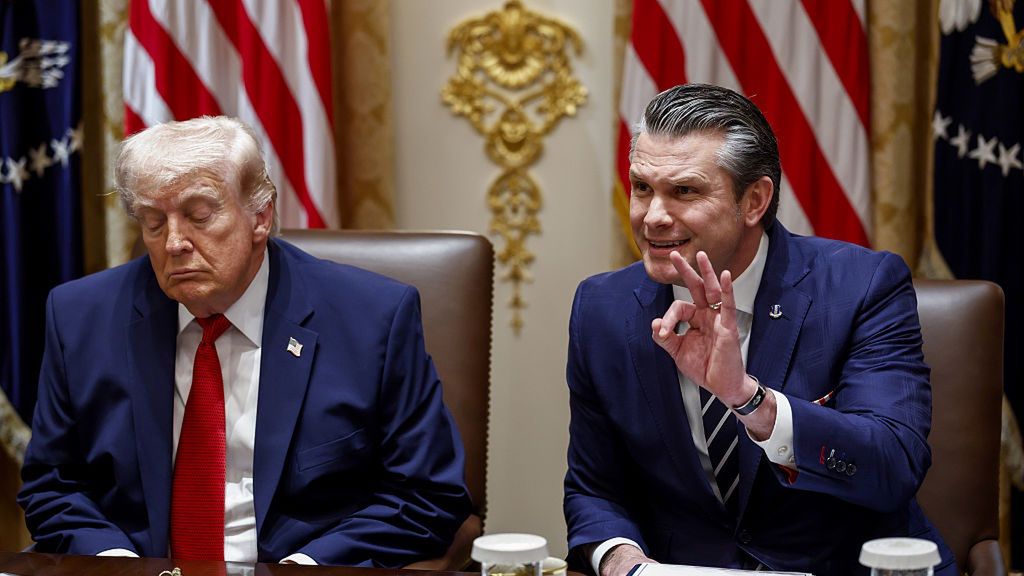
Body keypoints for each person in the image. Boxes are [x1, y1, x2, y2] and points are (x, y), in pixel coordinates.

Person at [18, 116, 472, 566]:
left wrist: (305, 570)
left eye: (199, 215)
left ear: (260, 216)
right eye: (155, 222)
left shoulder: (372, 319)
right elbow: (53, 487)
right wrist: (116, 564)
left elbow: (425, 496)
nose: (174, 242)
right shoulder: (81, 318)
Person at [562, 84, 956, 575]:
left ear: (754, 201)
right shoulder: (602, 308)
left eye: (684, 191)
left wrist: (749, 400)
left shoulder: (862, 287)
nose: (653, 217)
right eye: (643, 187)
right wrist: (623, 561)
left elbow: (893, 465)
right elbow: (595, 489)